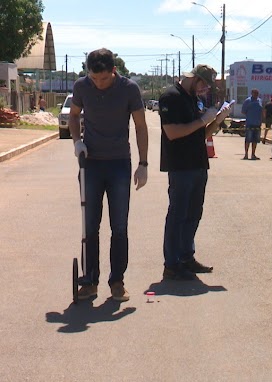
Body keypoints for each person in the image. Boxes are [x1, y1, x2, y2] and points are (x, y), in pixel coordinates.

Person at [69, 48, 149, 302]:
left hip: (118, 164)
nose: (99, 84)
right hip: (90, 164)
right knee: (90, 226)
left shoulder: (129, 89)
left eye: (103, 78)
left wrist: (143, 163)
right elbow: (73, 116)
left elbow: (140, 126)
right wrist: (76, 141)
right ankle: (90, 281)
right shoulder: (82, 86)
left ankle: (117, 281)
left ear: (113, 71)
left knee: (119, 226)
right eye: (94, 78)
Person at [159, 64, 229, 280]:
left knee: (193, 213)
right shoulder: (171, 97)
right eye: (204, 85)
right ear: (195, 78)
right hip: (181, 165)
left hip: (198, 163)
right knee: (178, 214)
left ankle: (186, 257)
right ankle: (172, 263)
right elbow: (171, 132)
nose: (205, 90)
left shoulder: (192, 98)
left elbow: (202, 133)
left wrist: (216, 121)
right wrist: (202, 120)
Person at [241, 88, 263, 160]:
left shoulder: (259, 101)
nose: (256, 95)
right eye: (254, 93)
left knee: (255, 140)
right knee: (248, 139)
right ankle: (246, 154)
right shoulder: (248, 101)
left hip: (257, 123)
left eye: (257, 93)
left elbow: (261, 111)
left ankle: (253, 154)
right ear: (252, 93)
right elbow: (243, 111)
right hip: (250, 123)